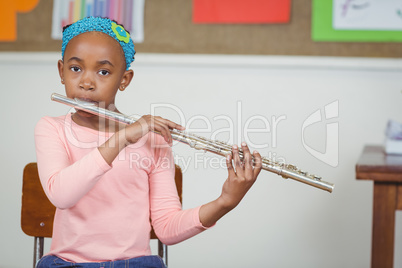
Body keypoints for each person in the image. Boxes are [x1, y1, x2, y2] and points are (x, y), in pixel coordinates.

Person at [34, 16, 262, 268]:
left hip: (135, 263)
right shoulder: (51, 128)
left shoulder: (152, 139)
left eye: (103, 72)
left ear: (124, 79)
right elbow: (62, 195)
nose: (86, 83)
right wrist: (123, 137)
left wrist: (225, 202)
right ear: (61, 72)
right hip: (69, 264)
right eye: (76, 68)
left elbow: (167, 228)